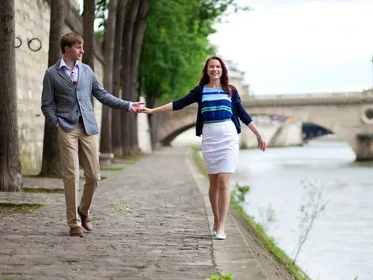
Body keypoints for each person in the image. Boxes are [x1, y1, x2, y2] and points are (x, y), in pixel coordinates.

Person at [143, 56, 266, 240]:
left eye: (218, 67)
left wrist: (258, 134)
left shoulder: (231, 91)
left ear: (223, 70)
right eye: (211, 67)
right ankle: (216, 220)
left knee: (224, 181)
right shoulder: (200, 91)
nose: (214, 69)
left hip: (228, 137)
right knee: (214, 183)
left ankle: (222, 225)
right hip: (210, 137)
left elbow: (243, 114)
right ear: (207, 70)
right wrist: (152, 111)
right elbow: (178, 103)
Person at [41, 32, 145, 237]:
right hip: (67, 129)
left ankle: (84, 210)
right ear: (67, 49)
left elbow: (103, 95)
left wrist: (129, 105)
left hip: (88, 127)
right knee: (71, 175)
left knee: (94, 176)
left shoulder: (87, 71)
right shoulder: (52, 74)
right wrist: (57, 124)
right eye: (79, 47)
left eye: (82, 46)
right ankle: (73, 223)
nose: (82, 50)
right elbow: (46, 104)